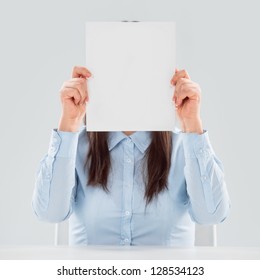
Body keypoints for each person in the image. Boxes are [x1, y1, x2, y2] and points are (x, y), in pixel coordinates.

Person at [32, 66, 230, 246]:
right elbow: (49, 213)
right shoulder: (76, 146)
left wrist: (191, 123)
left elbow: (211, 215)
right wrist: (69, 121)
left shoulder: (183, 146)